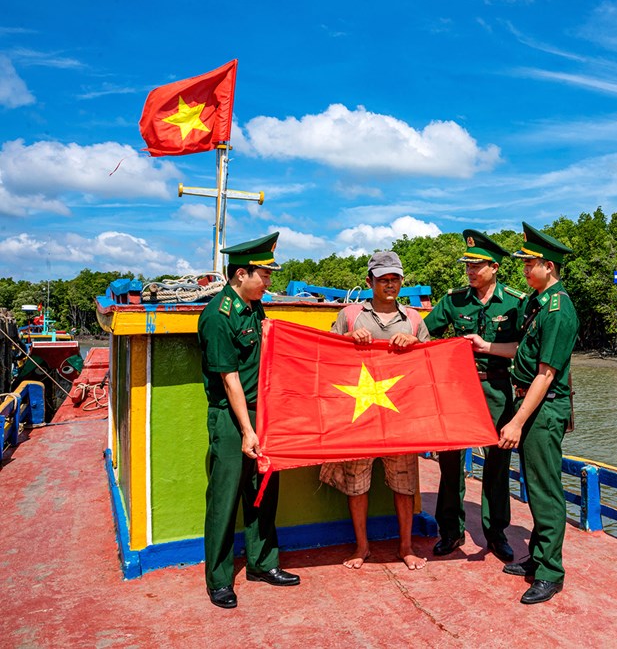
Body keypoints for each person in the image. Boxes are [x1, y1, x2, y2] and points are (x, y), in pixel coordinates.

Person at [466, 222, 578, 605]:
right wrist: (486, 346)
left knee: (545, 490)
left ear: (549, 266)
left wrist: (515, 421)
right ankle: (538, 557)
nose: (525, 269)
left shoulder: (559, 311)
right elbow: (521, 351)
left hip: (542, 408)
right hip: (526, 401)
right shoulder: (536, 302)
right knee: (534, 486)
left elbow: (546, 374)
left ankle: (550, 572)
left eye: (530, 264)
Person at [196, 232, 300, 610]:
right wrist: (247, 430)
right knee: (224, 499)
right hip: (231, 418)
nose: (268, 282)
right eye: (264, 275)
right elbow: (230, 380)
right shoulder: (217, 316)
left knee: (263, 491)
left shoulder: (254, 307)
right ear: (241, 274)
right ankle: (220, 580)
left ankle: (262, 563)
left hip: (263, 412)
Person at [319, 250, 431, 571]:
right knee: (357, 485)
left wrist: (415, 344)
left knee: (404, 484)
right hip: (359, 416)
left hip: (400, 417)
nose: (390, 284)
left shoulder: (413, 319)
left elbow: (430, 363)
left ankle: (406, 546)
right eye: (383, 279)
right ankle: (362, 546)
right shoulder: (351, 315)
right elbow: (326, 355)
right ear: (370, 282)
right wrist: (348, 338)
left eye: (395, 278)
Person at [423, 230, 526, 562]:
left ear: (494, 267)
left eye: (477, 266)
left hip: (497, 389)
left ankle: (496, 534)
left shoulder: (515, 302)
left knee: (497, 463)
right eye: (467, 265)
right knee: (450, 461)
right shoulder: (454, 301)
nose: (470, 271)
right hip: (457, 390)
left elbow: (529, 348)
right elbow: (424, 334)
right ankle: (450, 531)